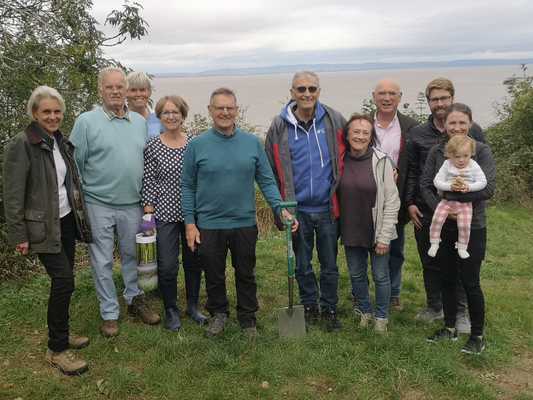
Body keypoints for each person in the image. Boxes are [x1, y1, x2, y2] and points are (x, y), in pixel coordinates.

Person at [182, 87, 298, 338]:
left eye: (229, 108)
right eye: (219, 108)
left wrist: (280, 210)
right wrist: (190, 223)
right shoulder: (197, 145)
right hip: (209, 223)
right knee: (214, 273)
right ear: (210, 111)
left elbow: (267, 181)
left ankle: (248, 317)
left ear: (236, 110)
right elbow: (187, 186)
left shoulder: (252, 143)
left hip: (244, 221)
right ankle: (219, 313)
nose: (225, 112)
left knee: (245, 272)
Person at [3, 86, 92, 375]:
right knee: (64, 280)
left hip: (64, 221)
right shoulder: (22, 144)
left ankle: (62, 335)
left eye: (57, 111)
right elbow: (13, 194)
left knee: (66, 281)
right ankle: (57, 350)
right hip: (41, 226)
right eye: (46, 112)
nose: (53, 116)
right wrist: (19, 235)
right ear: (34, 114)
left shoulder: (58, 141)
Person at [71, 67, 160, 338]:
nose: (115, 91)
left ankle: (134, 299)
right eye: (109, 87)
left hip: (132, 202)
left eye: (120, 86)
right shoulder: (86, 122)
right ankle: (109, 313)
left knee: (133, 255)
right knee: (102, 260)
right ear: (100, 89)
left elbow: (146, 162)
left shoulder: (138, 122)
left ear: (125, 90)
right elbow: (75, 164)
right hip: (98, 203)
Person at [265, 71, 346, 332]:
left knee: (330, 265)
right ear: (292, 93)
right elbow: (269, 169)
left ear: (319, 91)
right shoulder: (279, 126)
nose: (307, 94)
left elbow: (359, 147)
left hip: (327, 208)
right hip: (296, 210)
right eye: (301, 89)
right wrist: (280, 207)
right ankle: (310, 306)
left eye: (312, 88)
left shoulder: (334, 119)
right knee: (301, 264)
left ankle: (330, 308)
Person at [405, 77, 485, 331]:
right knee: (430, 260)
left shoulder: (473, 133)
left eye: (444, 98)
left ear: (452, 99)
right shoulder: (418, 134)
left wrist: (460, 201)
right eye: (434, 99)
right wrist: (410, 202)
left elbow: (481, 175)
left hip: (464, 210)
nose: (439, 104)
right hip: (426, 209)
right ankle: (434, 306)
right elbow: (414, 173)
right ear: (428, 102)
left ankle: (460, 312)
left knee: (459, 262)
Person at [421, 103, 495, 354]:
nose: (457, 127)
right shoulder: (437, 151)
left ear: (470, 123)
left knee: (471, 281)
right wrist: (443, 207)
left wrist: (458, 201)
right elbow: (426, 185)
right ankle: (450, 328)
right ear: (445, 125)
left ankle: (477, 335)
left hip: (473, 225)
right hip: (445, 224)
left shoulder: (481, 151)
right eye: (452, 123)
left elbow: (487, 189)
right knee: (448, 279)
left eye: (462, 122)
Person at [142, 95, 207, 331]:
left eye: (175, 112)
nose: (171, 116)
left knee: (193, 261)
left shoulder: (194, 143)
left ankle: (192, 306)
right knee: (168, 265)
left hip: (192, 213)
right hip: (164, 213)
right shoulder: (153, 145)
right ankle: (171, 309)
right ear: (159, 117)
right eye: (166, 113)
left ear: (182, 115)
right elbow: (148, 179)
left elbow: (202, 177)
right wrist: (148, 211)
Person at [338, 114, 400, 333]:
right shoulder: (340, 160)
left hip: (377, 229)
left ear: (371, 136)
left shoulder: (382, 161)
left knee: (381, 276)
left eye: (365, 132)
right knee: (356, 275)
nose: (360, 136)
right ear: (347, 134)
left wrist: (385, 236)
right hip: (351, 228)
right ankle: (364, 311)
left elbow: (393, 201)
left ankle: (381, 317)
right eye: (356, 131)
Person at [371, 79, 418, 311]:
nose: (387, 98)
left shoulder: (411, 126)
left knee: (395, 247)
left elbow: (415, 165)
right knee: (366, 246)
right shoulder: (363, 124)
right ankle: (368, 289)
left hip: (396, 199)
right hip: (367, 197)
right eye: (382, 93)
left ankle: (393, 293)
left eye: (392, 93)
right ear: (374, 97)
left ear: (399, 97)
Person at [428, 135, 487, 259]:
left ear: (471, 153)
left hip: (465, 204)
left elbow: (482, 182)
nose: (461, 160)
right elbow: (437, 181)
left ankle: (462, 247)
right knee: (437, 219)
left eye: (465, 156)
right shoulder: (447, 164)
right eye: (457, 156)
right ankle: (434, 242)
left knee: (464, 225)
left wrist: (469, 187)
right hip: (446, 201)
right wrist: (450, 186)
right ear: (449, 155)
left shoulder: (473, 165)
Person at [126, 71, 162, 138]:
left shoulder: (159, 118)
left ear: (149, 92)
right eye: (133, 90)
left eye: (142, 90)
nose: (138, 94)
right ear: (126, 92)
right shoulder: (120, 119)